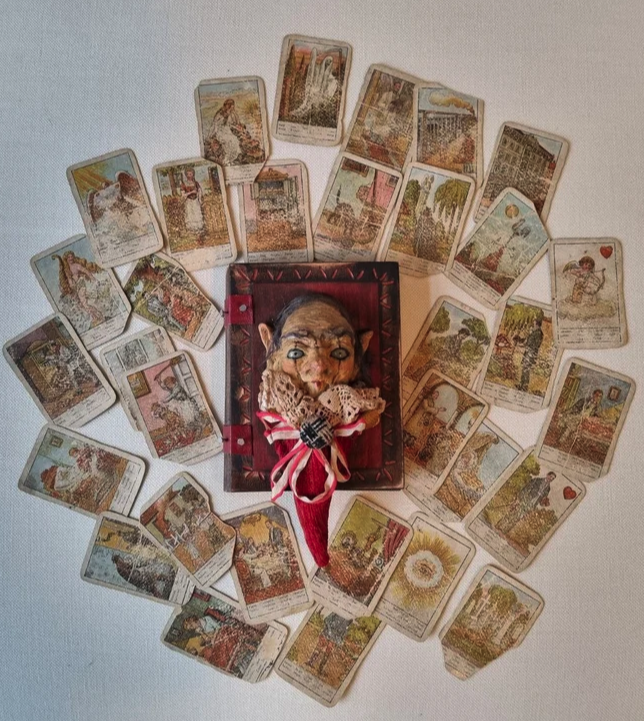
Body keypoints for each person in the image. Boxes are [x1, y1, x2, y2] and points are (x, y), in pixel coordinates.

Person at [496, 471, 556, 535]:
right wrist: (519, 498)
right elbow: (526, 488)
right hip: (525, 500)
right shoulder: (537, 480)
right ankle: (499, 525)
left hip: (532, 505)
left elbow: (542, 500)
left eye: (552, 479)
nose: (551, 479)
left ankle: (505, 530)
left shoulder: (548, 489)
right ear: (547, 475)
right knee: (513, 512)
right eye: (550, 476)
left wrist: (544, 503)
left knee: (519, 517)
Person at [208, 98, 243, 165]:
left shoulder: (231, 113)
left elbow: (231, 124)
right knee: (229, 140)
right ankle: (227, 159)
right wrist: (212, 135)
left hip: (227, 131)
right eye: (231, 107)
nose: (232, 109)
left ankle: (232, 158)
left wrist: (237, 127)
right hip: (220, 132)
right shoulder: (220, 114)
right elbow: (215, 125)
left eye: (233, 107)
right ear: (227, 106)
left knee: (234, 139)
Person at [517, 317, 544, 392]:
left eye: (534, 323)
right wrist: (523, 344)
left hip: (531, 353)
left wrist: (529, 348)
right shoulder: (534, 331)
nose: (533, 324)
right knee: (524, 368)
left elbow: (537, 344)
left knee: (526, 369)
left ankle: (525, 386)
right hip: (528, 352)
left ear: (537, 324)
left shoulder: (539, 333)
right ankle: (521, 384)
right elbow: (528, 341)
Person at [180, 168, 205, 235]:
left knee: (197, 213)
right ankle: (192, 230)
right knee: (190, 214)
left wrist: (200, 199)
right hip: (189, 201)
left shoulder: (196, 183)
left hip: (195, 201)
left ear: (193, 174)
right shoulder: (183, 184)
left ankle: (199, 229)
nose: (189, 175)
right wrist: (191, 192)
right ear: (186, 175)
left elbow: (199, 191)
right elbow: (183, 195)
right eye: (188, 174)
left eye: (191, 174)